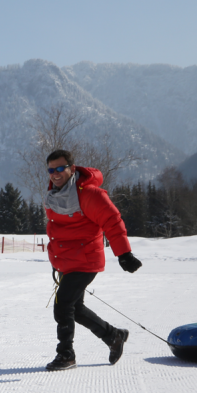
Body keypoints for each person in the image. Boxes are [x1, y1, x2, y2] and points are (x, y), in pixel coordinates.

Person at [43, 149, 142, 371]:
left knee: (63, 305)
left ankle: (66, 355)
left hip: (86, 259)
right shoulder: (55, 194)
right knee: (74, 309)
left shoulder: (88, 194)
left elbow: (112, 220)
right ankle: (113, 335)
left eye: (60, 168)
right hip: (68, 261)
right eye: (51, 170)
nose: (55, 174)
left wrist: (123, 254)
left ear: (72, 168)